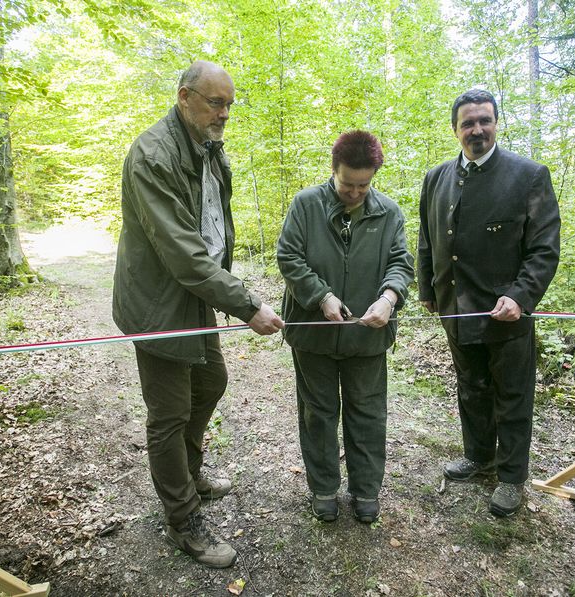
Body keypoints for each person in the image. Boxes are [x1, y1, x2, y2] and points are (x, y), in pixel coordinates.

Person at [112, 60, 284, 568]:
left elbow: (212, 226)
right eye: (215, 102)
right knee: (169, 414)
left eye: (230, 104)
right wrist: (248, 304)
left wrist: (223, 290)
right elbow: (183, 251)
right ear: (185, 97)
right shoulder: (153, 154)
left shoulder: (208, 147)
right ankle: (183, 519)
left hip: (196, 296)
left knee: (209, 382)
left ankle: (188, 474)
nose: (224, 113)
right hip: (159, 302)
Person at [417, 89, 560, 517]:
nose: (476, 129)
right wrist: (429, 290)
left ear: (496, 123)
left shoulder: (528, 175)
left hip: (507, 314)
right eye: (467, 122)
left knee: (512, 395)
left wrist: (520, 297)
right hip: (456, 309)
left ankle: (512, 477)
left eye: (484, 120)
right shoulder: (436, 178)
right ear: (455, 129)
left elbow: (544, 249)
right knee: (471, 388)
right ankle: (479, 457)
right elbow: (427, 240)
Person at [277, 130, 414, 523]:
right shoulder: (305, 204)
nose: (354, 193)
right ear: (333, 170)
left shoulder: (389, 212)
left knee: (368, 412)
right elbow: (288, 256)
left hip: (367, 336)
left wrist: (389, 299)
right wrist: (321, 296)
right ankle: (323, 489)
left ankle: (366, 489)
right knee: (317, 413)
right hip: (312, 334)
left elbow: (401, 264)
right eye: (346, 184)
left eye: (363, 185)